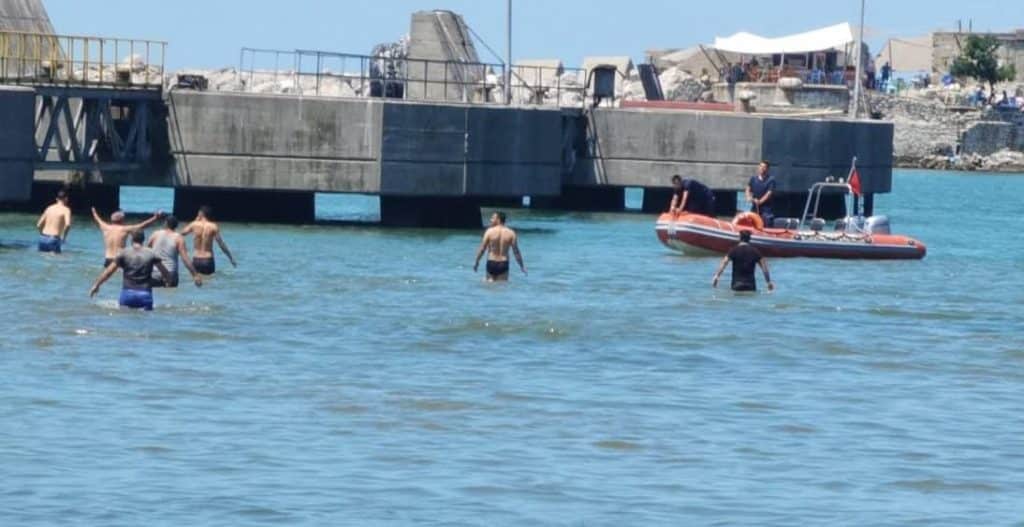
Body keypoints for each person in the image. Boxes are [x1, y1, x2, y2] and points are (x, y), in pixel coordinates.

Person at [89, 230, 197, 311]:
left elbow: (108, 272)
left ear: (132, 239)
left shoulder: (123, 253)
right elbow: (164, 271)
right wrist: (168, 281)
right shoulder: (151, 253)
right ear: (143, 240)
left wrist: (96, 285)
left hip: (127, 294)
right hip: (145, 295)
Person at [92, 207, 163, 267]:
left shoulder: (105, 227)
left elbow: (97, 219)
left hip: (108, 259)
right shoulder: (125, 229)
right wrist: (155, 218)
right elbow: (142, 226)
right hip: (120, 259)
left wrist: (94, 211)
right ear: (122, 220)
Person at [146, 215, 202, 288]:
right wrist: (195, 275)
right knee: (171, 297)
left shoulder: (155, 234)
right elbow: (185, 259)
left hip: (155, 273)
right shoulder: (178, 238)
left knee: (156, 297)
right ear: (176, 226)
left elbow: (146, 253)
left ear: (165, 223)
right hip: (171, 274)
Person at [182, 206, 237, 275]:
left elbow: (182, 233)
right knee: (209, 283)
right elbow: (221, 244)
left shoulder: (194, 224)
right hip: (207, 260)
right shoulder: (213, 226)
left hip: (196, 259)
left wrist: (195, 220)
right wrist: (230, 258)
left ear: (201, 213)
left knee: (197, 281)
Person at [473, 211, 526, 282]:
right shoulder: (511, 233)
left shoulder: (489, 231)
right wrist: (521, 266)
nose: (490, 220)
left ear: (498, 219)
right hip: (503, 263)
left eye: (492, 218)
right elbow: (516, 251)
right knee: (501, 288)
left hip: (491, 262)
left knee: (489, 288)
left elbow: (482, 249)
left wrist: (476, 262)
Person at [36, 189, 72, 253]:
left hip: (42, 238)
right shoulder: (66, 210)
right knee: (55, 261)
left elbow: (38, 225)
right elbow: (68, 224)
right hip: (53, 239)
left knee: (42, 260)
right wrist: (63, 237)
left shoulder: (49, 208)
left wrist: (43, 234)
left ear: (56, 199)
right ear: (66, 199)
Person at [745, 160, 776, 227]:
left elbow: (769, 193)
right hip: (754, 207)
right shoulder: (753, 178)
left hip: (766, 208)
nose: (762, 168)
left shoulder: (771, 180)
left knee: (767, 219)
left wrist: (760, 201)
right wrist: (748, 197)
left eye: (764, 167)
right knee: (749, 220)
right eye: (760, 166)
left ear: (767, 169)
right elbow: (748, 189)